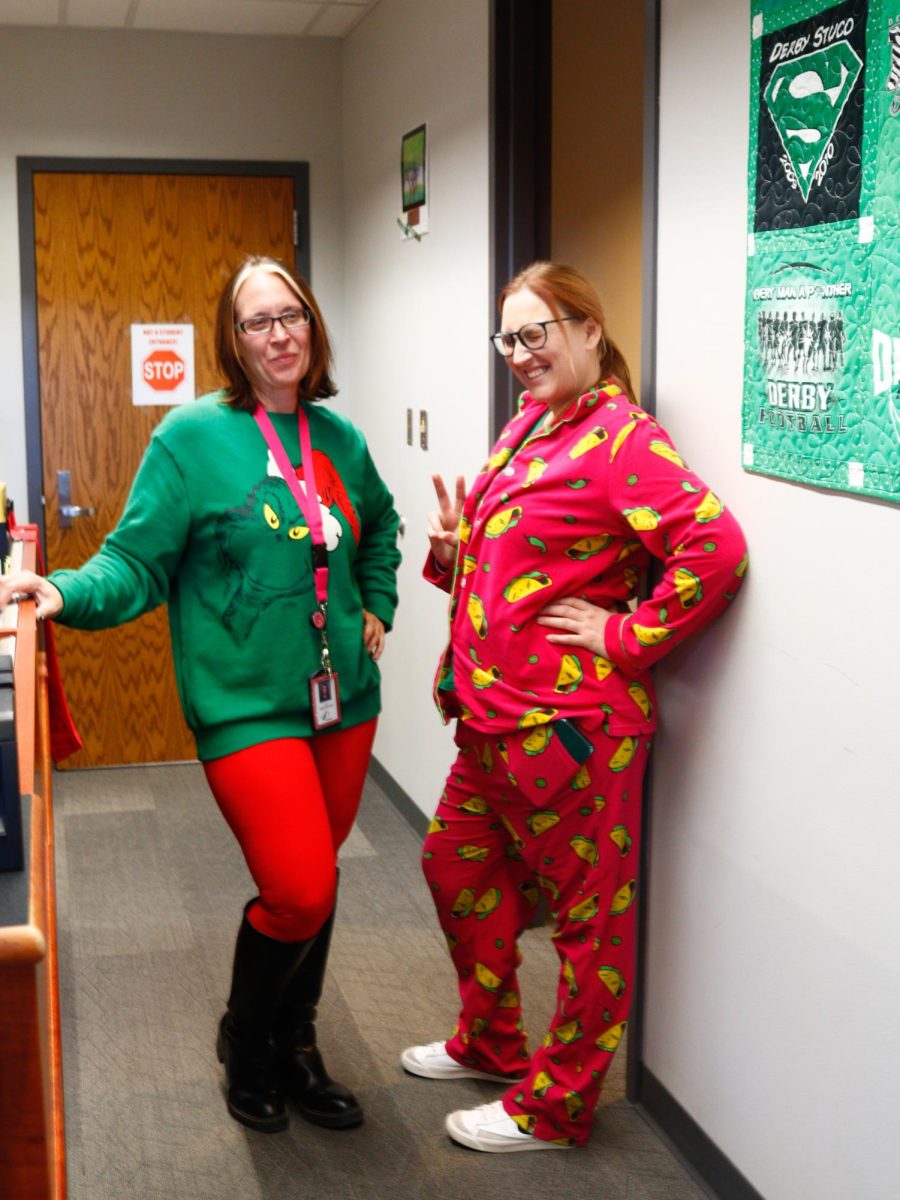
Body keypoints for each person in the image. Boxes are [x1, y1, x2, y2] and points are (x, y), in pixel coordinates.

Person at [0, 255, 401, 1135]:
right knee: (296, 886)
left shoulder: (343, 442)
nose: (278, 334)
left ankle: (297, 1045)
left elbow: (380, 529)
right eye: (257, 321)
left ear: (312, 324)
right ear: (234, 338)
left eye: (289, 314)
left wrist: (378, 604)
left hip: (344, 703)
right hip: (243, 705)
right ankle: (245, 1038)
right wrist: (64, 591)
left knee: (322, 882)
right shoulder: (190, 437)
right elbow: (138, 559)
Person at [402, 261, 747, 1153]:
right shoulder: (531, 424)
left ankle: (554, 1110)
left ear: (589, 331)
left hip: (574, 738)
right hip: (490, 726)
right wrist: (452, 549)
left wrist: (624, 636)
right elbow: (505, 568)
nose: (520, 354)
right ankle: (491, 1041)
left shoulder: (623, 439)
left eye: (537, 333)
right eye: (508, 339)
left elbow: (715, 549)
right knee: (454, 872)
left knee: (591, 931)